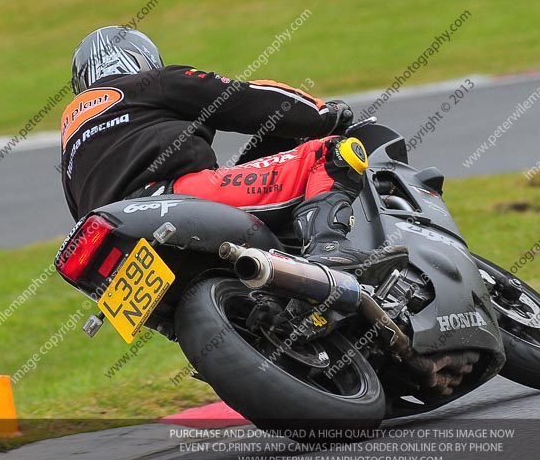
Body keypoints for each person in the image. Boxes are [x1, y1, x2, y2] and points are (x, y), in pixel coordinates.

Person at [61, 26, 407, 288]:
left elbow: (81, 213)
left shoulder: (70, 141)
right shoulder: (150, 83)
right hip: (176, 196)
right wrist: (324, 115)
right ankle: (330, 249)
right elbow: (242, 99)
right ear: (140, 58)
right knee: (331, 154)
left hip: (115, 244)